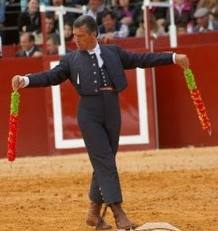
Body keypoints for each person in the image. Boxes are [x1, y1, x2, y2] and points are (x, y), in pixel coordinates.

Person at [11, 15, 189, 230]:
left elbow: (142, 59)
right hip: (89, 113)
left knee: (104, 160)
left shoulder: (113, 53)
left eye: (81, 36)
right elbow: (51, 76)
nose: (76, 40)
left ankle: (94, 214)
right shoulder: (71, 59)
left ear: (94, 34)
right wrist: (26, 80)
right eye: (74, 36)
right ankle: (118, 212)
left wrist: (172, 58)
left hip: (112, 110)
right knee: (105, 160)